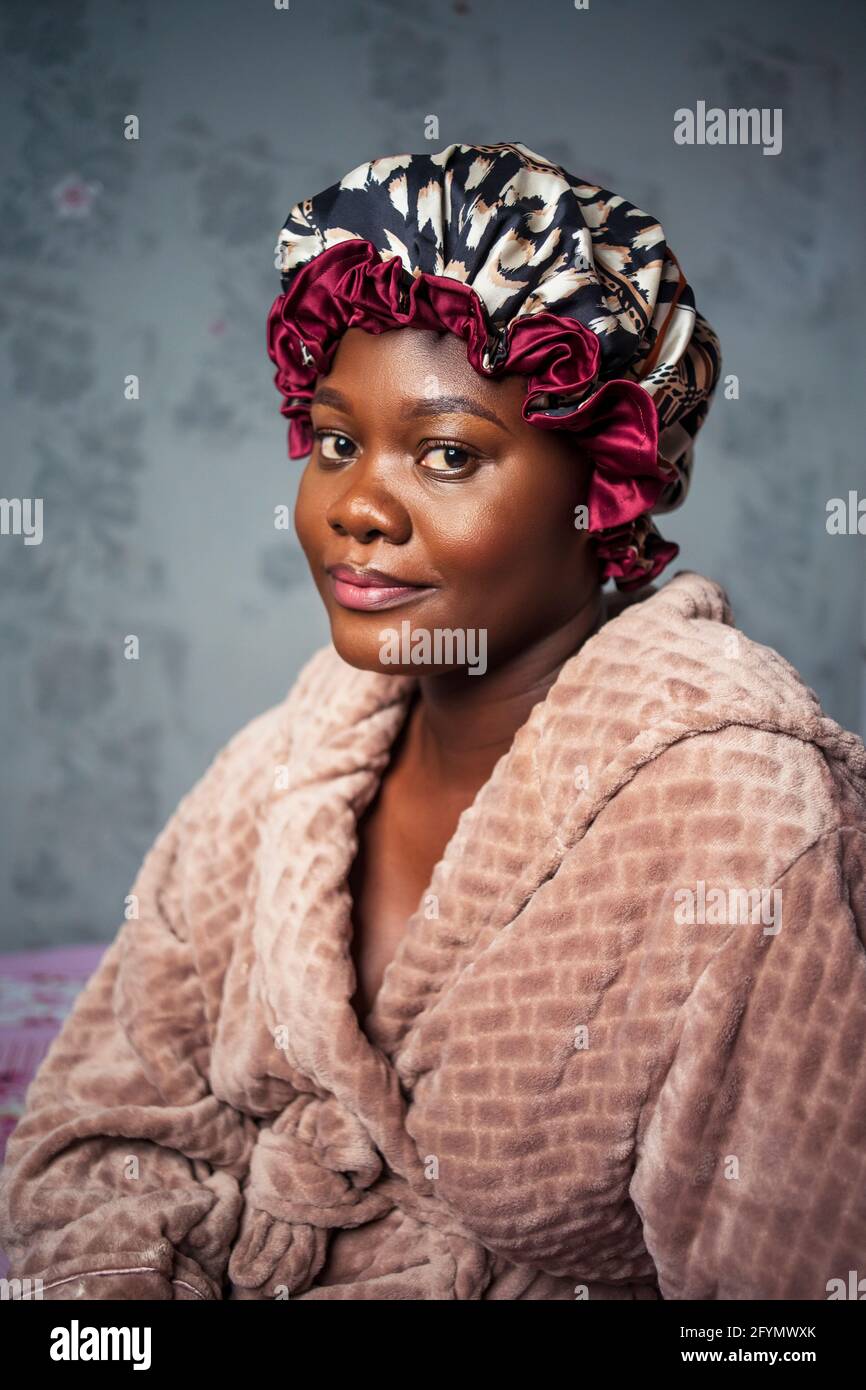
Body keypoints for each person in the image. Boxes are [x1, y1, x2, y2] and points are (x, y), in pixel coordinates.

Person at [1, 141, 864, 1301]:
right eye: (335, 440)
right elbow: (100, 1134)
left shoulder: (743, 823)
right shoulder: (280, 771)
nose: (356, 504)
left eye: (447, 453)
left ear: (601, 483)